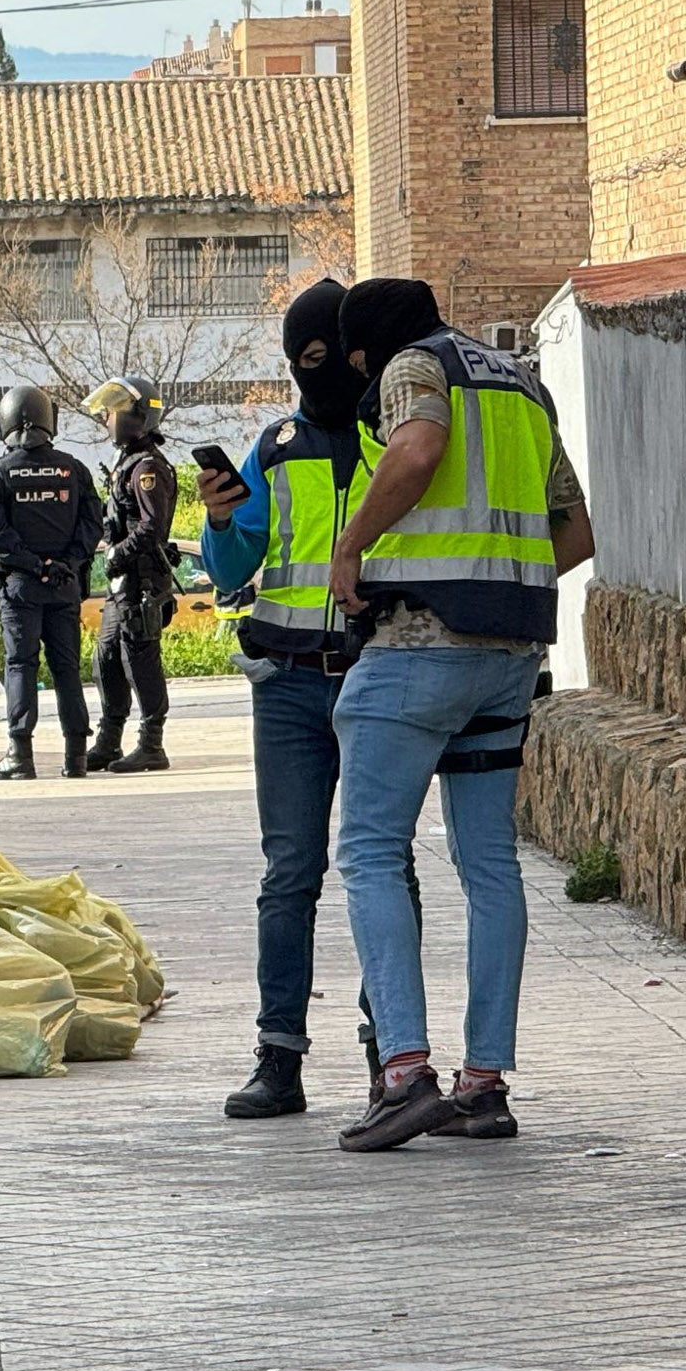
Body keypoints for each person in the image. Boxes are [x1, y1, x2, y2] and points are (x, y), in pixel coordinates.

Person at [328, 278, 596, 1153]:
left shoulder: (416, 365)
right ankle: (486, 1088)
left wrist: (353, 542)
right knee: (489, 865)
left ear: (370, 347)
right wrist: (501, 586)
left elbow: (415, 451)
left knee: (369, 849)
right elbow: (577, 528)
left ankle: (403, 1072)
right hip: (508, 656)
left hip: (416, 648)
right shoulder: (519, 379)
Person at [200, 278, 408, 1117]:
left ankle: (390, 1053)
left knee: (381, 870)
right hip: (285, 687)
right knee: (290, 874)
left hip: (375, 674)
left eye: (320, 356)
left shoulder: (397, 436)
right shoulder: (276, 444)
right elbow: (229, 570)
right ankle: (277, 1057)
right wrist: (219, 520)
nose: (308, 373)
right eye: (296, 360)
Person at [0, 384, 106, 781]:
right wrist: (64, 563)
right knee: (67, 669)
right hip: (64, 585)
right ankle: (76, 757)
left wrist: (35, 565)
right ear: (50, 420)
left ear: (5, 421)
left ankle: (20, 756)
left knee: (20, 665)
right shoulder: (74, 470)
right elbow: (92, 525)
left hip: (21, 587)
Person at [85, 375, 178, 774]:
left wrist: (116, 554)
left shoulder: (147, 467)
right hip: (122, 583)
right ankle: (108, 740)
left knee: (140, 660)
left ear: (137, 416)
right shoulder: (126, 463)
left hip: (141, 580)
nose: (107, 418)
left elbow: (152, 526)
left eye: (115, 410)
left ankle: (151, 744)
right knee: (106, 657)